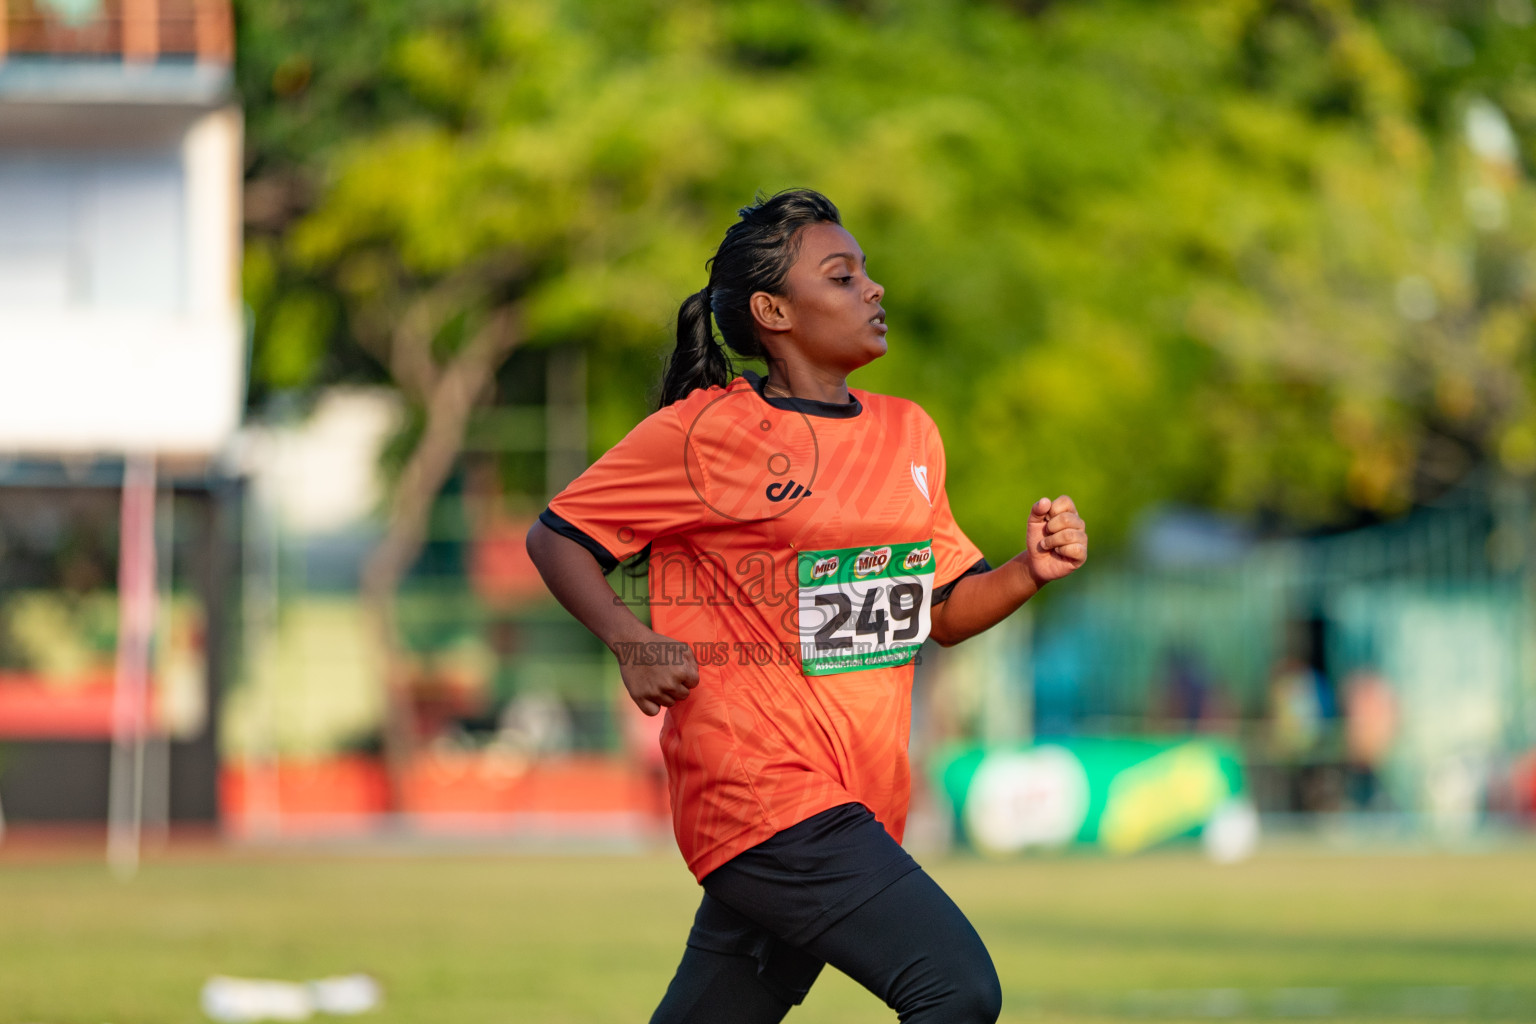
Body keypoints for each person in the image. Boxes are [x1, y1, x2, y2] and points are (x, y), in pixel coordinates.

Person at [525, 189, 1088, 1023]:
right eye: (843, 274)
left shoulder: (910, 433)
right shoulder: (706, 432)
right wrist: (629, 637)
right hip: (760, 791)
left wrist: (1027, 571)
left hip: (860, 799)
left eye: (866, 271)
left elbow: (940, 609)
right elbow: (557, 536)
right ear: (772, 311)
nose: (874, 288)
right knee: (956, 989)